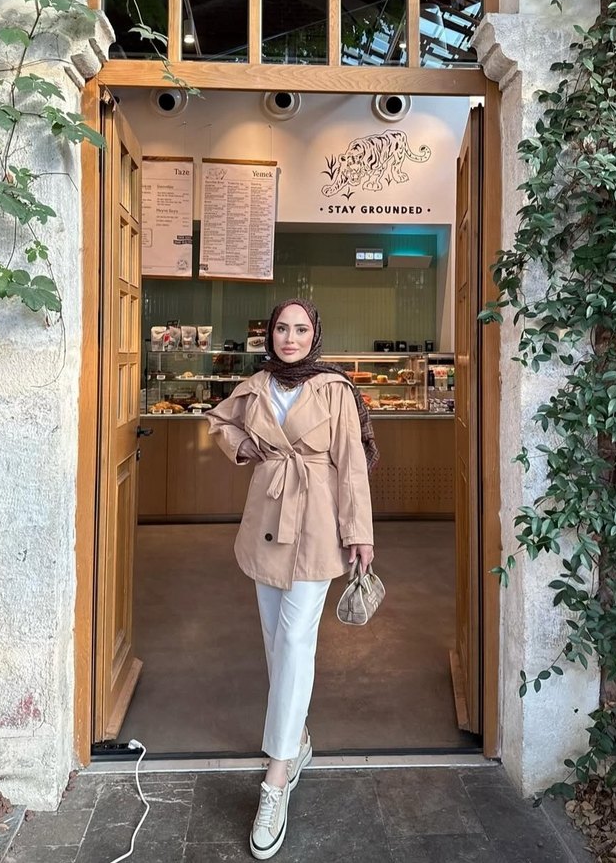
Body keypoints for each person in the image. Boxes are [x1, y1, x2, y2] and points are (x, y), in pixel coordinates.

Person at [205, 298, 378, 860]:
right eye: (282, 328)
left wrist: (359, 532)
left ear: (315, 334)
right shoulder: (255, 386)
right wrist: (243, 447)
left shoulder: (335, 389)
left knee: (297, 639)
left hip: (319, 525)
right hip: (266, 523)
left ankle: (275, 778)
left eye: (301, 329)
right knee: (276, 641)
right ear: (270, 335)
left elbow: (351, 463)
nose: (290, 337)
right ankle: (298, 738)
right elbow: (218, 421)